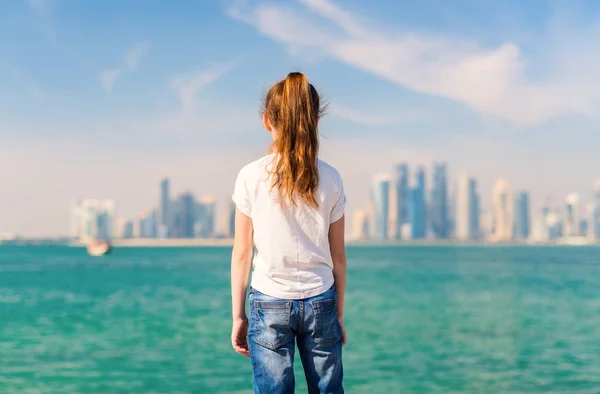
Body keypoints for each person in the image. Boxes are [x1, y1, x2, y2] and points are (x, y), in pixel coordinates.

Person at [230, 72, 347, 394]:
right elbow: (338, 256)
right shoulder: (332, 178)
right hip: (321, 299)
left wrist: (238, 316)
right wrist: (337, 314)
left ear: (267, 120)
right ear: (316, 120)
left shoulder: (251, 175)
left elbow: (242, 253)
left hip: (268, 301)